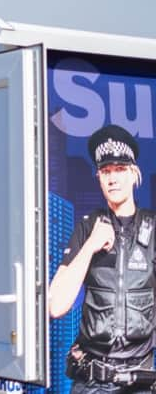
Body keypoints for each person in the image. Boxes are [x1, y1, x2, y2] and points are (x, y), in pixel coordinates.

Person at [49, 124, 156, 393]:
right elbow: (56, 305)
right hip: (91, 383)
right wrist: (90, 246)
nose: (113, 179)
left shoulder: (153, 229)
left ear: (134, 174)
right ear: (98, 178)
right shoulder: (87, 228)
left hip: (140, 384)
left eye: (120, 169)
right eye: (106, 171)